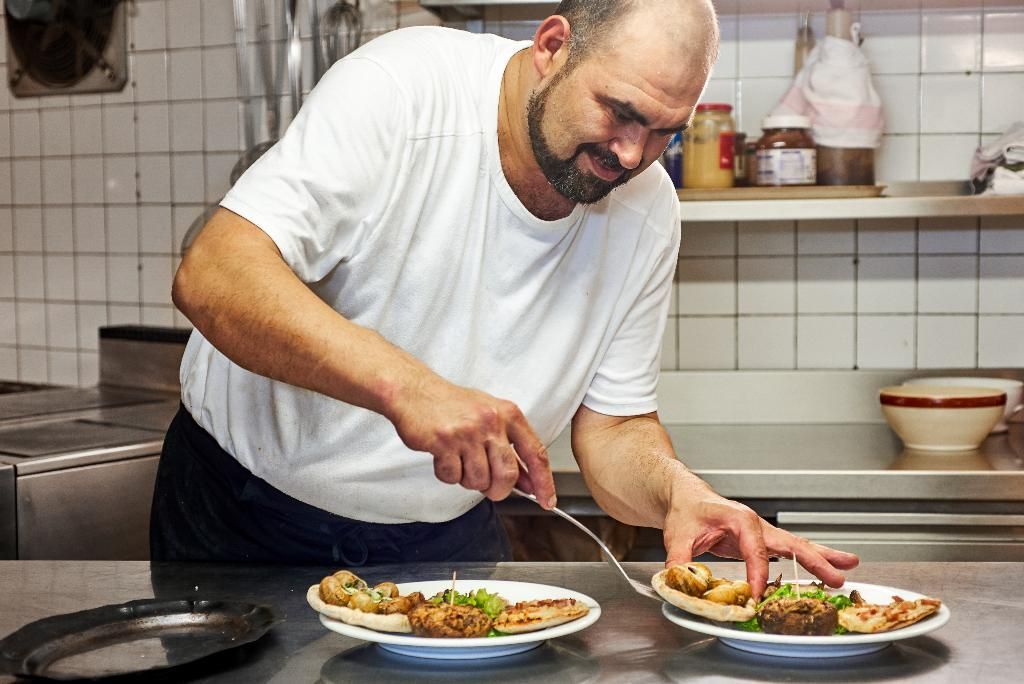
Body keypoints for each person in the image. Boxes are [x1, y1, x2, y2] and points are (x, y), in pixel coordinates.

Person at [153, 0, 858, 595]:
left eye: (664, 130)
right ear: (553, 47)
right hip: (243, 517)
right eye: (620, 112)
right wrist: (409, 388)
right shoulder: (402, 90)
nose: (632, 156)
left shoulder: (647, 210)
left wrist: (681, 493)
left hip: (444, 542)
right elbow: (213, 272)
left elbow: (614, 432)